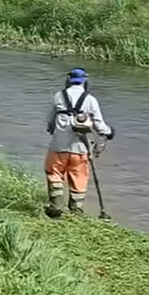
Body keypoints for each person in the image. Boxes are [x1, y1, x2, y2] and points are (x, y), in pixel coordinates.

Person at [43, 68, 114, 218]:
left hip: (58, 146)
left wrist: (52, 130)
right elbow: (99, 125)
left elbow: (50, 122)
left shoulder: (59, 96)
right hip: (80, 149)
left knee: (54, 174)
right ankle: (76, 211)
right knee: (79, 178)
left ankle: (56, 206)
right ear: (85, 81)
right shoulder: (90, 99)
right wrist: (109, 132)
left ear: (68, 80)